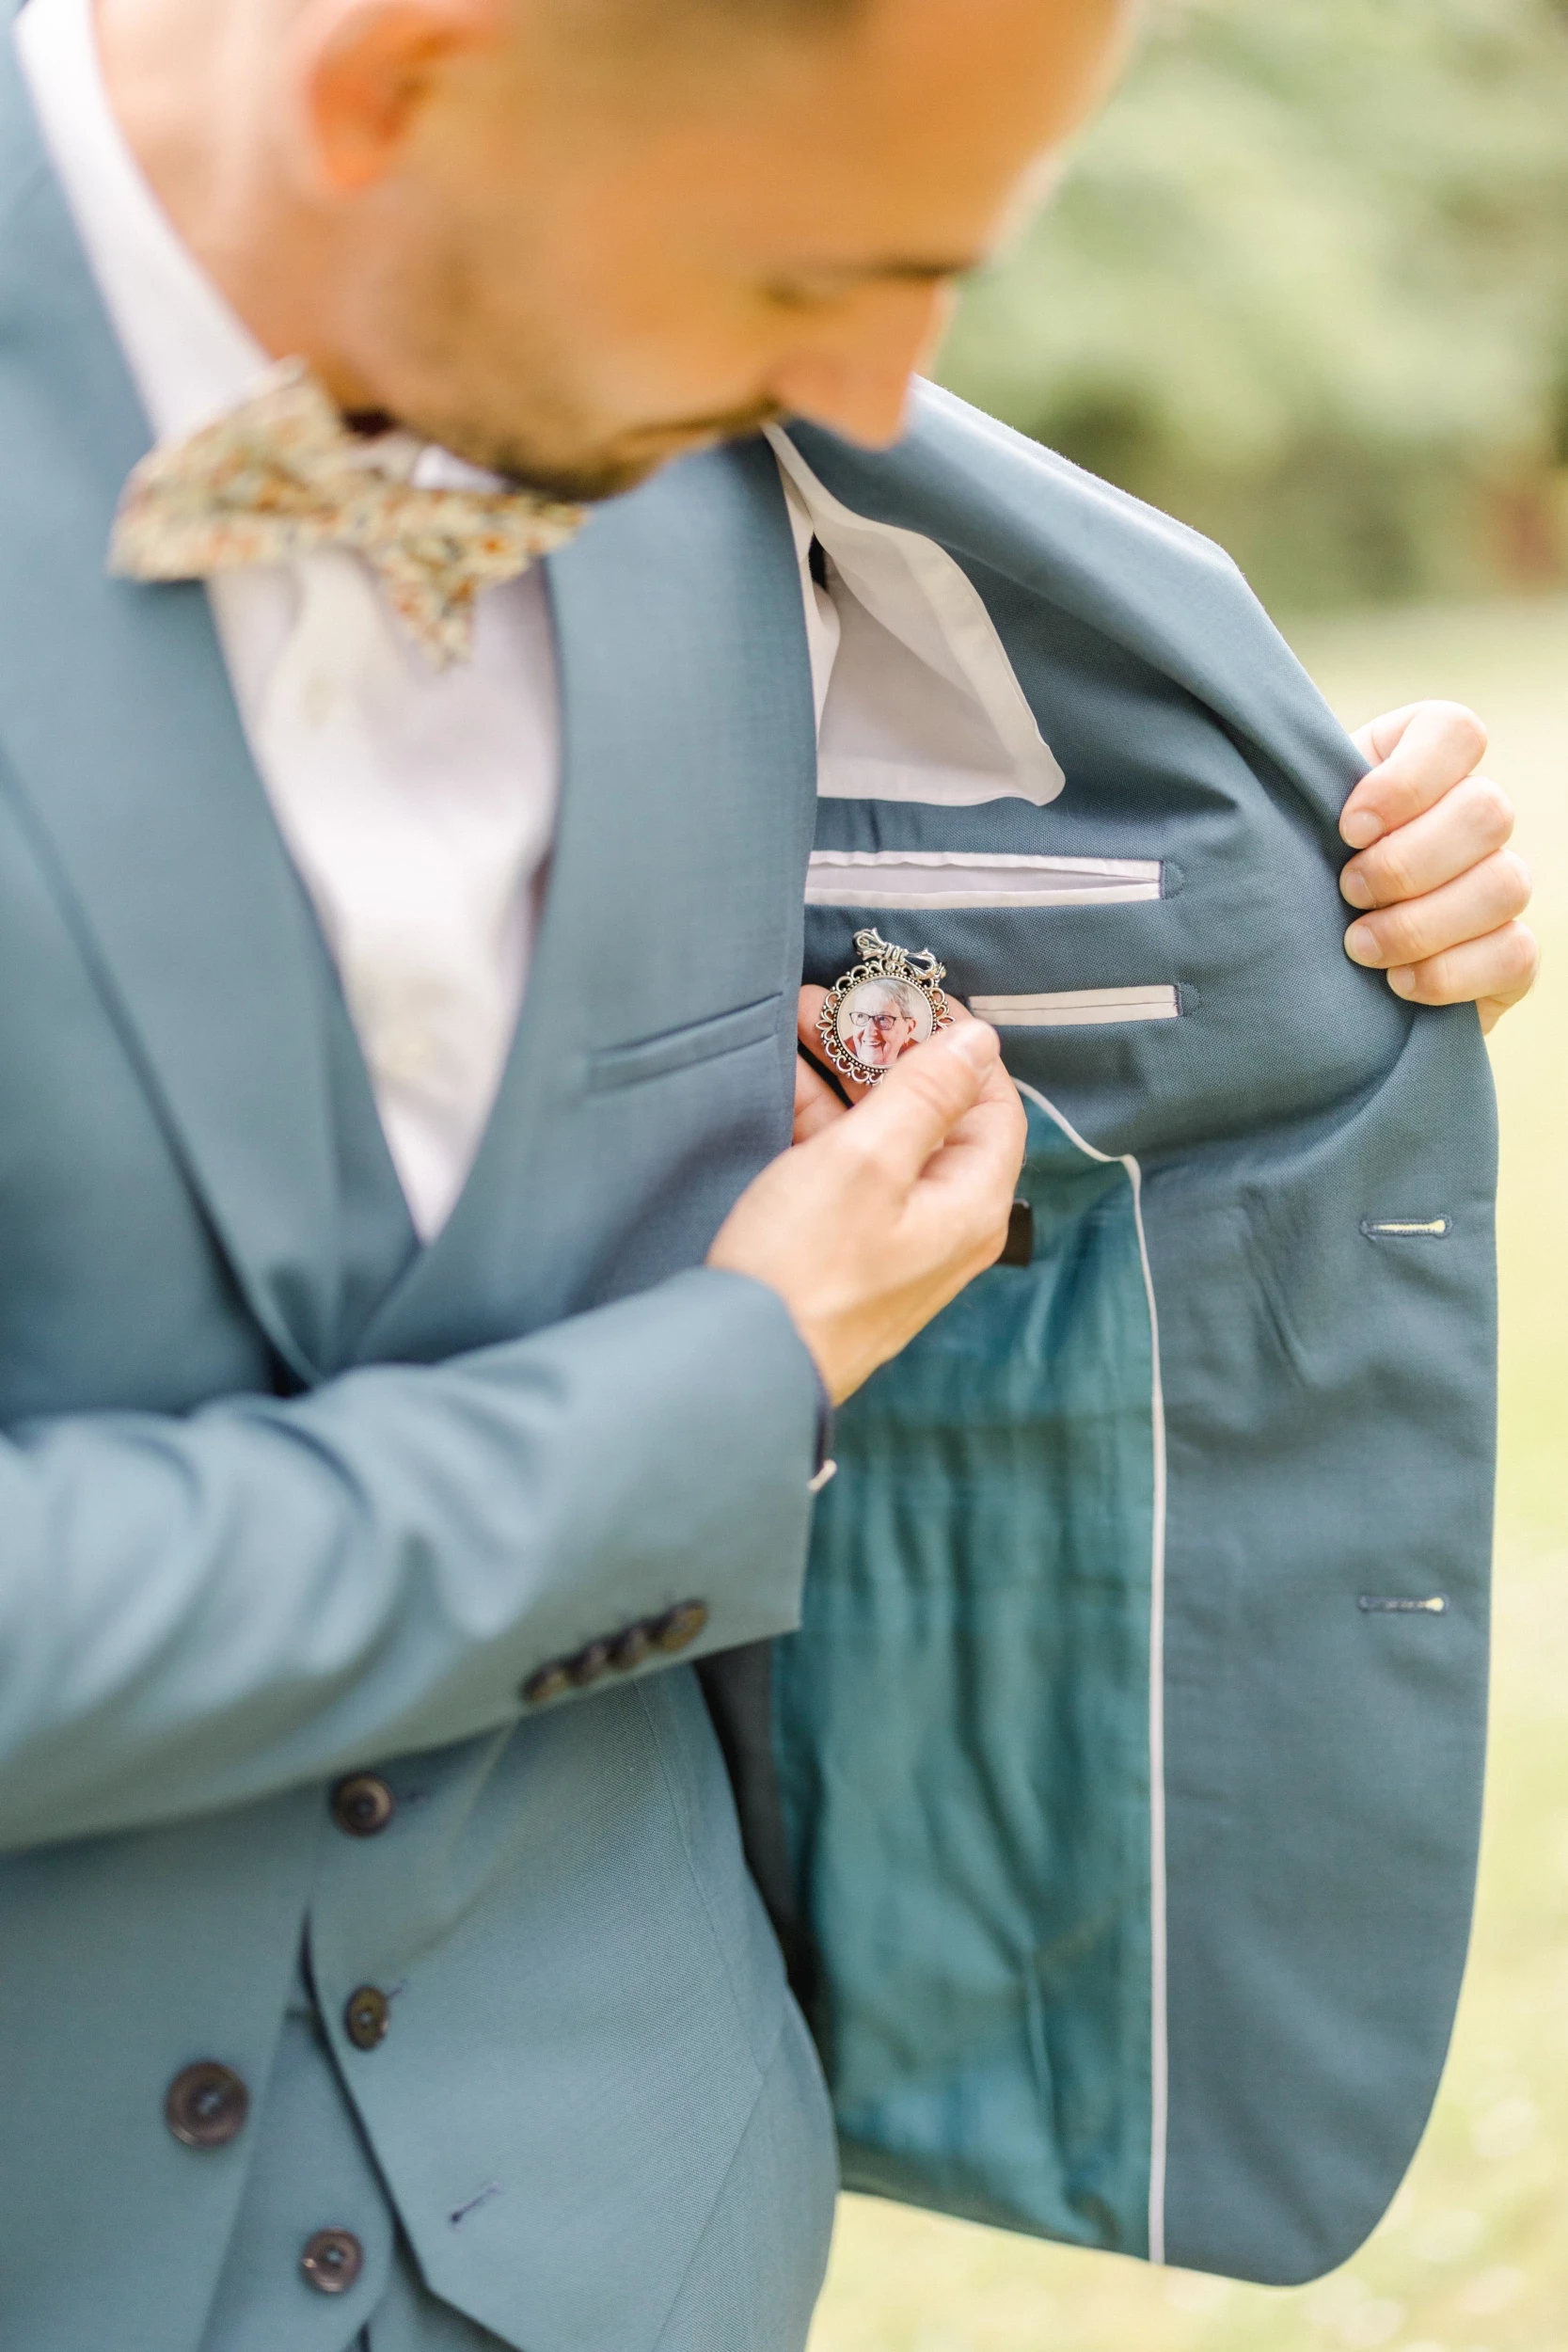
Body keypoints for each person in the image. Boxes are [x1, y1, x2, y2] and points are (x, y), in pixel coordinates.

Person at [0, 2, 1537, 2348]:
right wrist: (738, 1380)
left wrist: (1363, 887)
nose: (890, 394)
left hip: (635, 2226)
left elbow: (1089, 905)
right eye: (819, 271)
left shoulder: (705, 404)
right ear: (391, 93)